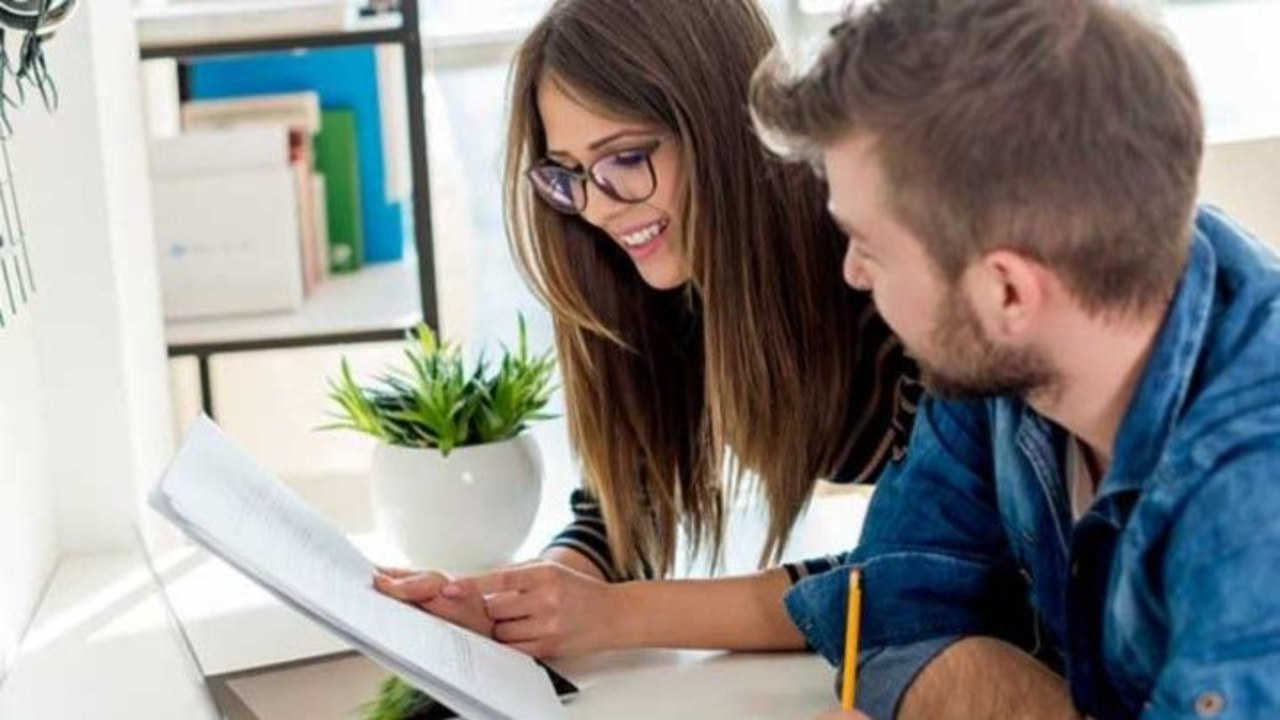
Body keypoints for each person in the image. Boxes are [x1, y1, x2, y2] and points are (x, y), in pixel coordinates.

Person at [749, 0, 1280, 718]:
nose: (852, 273)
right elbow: (890, 615)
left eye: (868, 246)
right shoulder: (1006, 353)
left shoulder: (1255, 506)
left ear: (1007, 290)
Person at [374, 0, 919, 659]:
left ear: (724, 124)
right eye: (568, 173)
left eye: (626, 157)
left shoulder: (887, 261)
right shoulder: (660, 277)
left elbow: (922, 574)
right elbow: (619, 513)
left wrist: (618, 616)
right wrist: (515, 605)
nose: (597, 207)